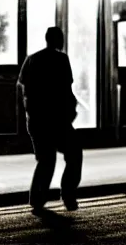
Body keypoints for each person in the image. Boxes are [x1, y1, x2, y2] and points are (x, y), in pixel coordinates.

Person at [18, 26, 83, 214]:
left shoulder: (32, 59)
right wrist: (71, 110)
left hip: (38, 120)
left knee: (46, 159)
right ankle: (68, 194)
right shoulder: (62, 59)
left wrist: (29, 113)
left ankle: (37, 199)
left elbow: (23, 89)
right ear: (57, 40)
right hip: (58, 119)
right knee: (74, 155)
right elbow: (66, 89)